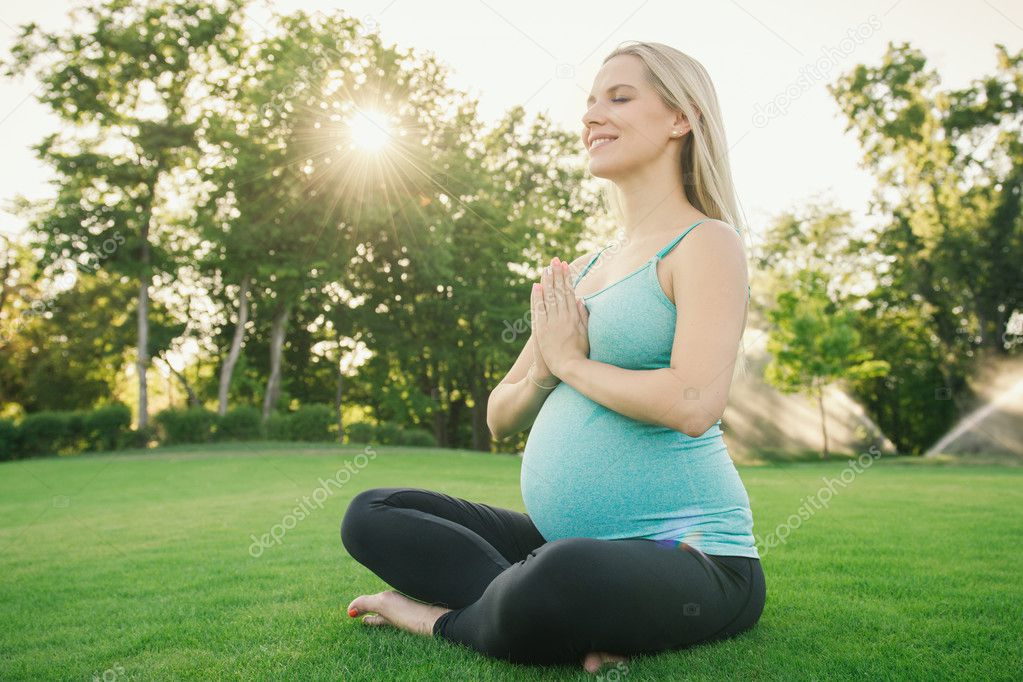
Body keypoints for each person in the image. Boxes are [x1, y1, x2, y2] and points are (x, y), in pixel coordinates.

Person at [340, 40, 765, 675]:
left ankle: (435, 618)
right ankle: (544, 612)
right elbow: (499, 415)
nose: (592, 115)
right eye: (590, 102)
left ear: (682, 119)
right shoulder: (586, 269)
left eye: (619, 98)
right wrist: (544, 369)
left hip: (696, 558)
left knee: (564, 571)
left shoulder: (705, 243)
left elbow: (695, 404)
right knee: (372, 513)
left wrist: (571, 364)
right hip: (561, 542)